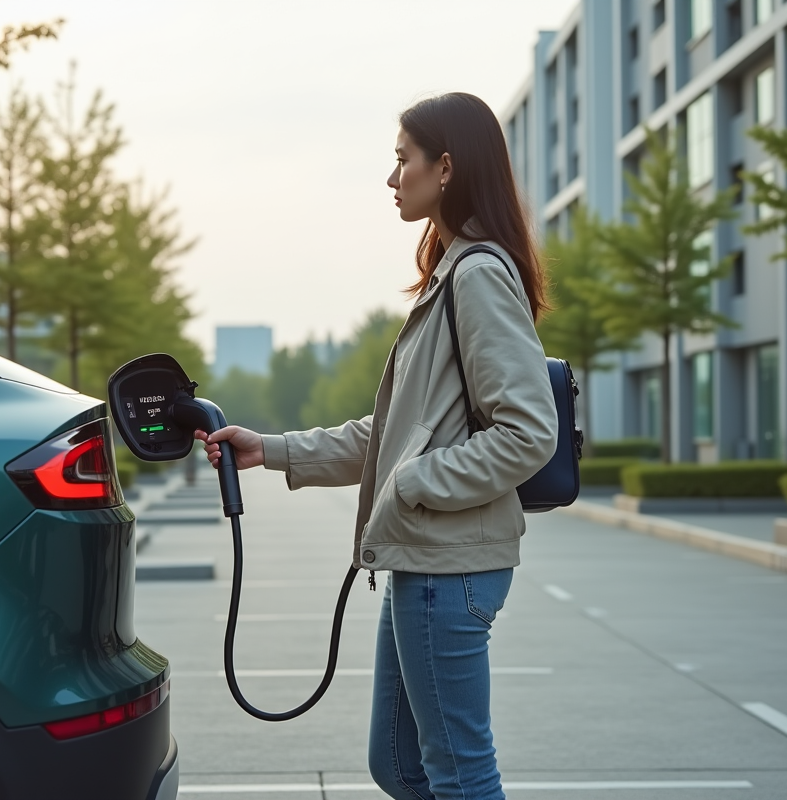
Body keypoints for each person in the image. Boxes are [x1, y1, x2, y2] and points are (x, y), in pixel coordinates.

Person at [196, 92, 558, 800]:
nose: (392, 179)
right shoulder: (452, 276)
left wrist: (414, 482)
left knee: (458, 771)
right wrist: (268, 449)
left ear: (446, 167)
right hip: (426, 565)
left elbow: (528, 433)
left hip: (448, 569)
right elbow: (388, 433)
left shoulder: (478, 276)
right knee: (398, 765)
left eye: (403, 161)